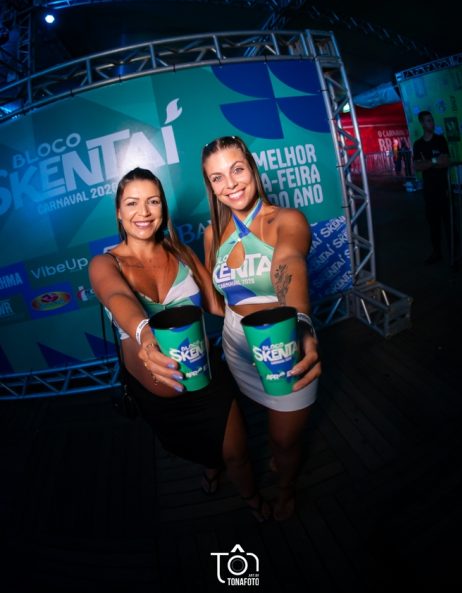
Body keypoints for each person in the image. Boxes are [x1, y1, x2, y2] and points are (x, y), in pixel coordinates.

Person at [89, 167, 270, 522]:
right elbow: (117, 297)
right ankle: (211, 468)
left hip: (207, 380)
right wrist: (145, 335)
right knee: (198, 450)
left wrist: (269, 306)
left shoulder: (182, 253)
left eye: (153, 201)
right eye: (132, 203)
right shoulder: (104, 263)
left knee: (237, 452)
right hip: (158, 399)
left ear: (163, 208)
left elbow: (218, 306)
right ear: (119, 212)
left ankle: (252, 500)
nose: (144, 212)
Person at [200, 135, 322, 521]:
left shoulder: (287, 220)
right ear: (210, 186)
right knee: (263, 417)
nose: (230, 184)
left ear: (252, 169)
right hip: (235, 340)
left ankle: (286, 488)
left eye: (237, 169)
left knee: (283, 440)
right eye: (217, 177)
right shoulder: (212, 234)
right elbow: (217, 301)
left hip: (282, 339)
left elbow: (290, 264)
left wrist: (301, 324)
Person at [412, 111, 450, 264]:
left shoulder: (440, 140)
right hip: (429, 191)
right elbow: (417, 167)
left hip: (444, 188)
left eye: (432, 120)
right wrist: (434, 161)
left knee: (449, 222)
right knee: (433, 224)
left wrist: (426, 162)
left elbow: (445, 162)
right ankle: (437, 252)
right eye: (428, 121)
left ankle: (454, 252)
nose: (432, 123)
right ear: (422, 123)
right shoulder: (418, 144)